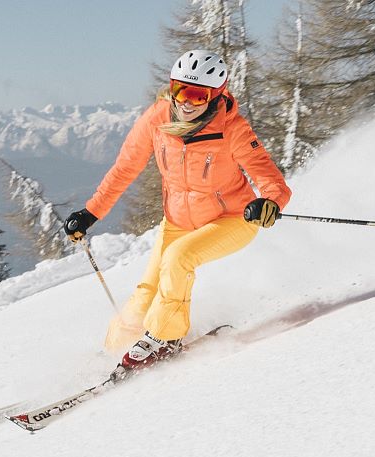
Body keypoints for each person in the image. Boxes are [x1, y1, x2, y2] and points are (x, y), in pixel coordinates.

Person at [61, 50, 292, 371]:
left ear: (216, 95)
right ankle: (113, 353)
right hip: (179, 222)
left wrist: (269, 202)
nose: (186, 102)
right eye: (180, 90)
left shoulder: (233, 129)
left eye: (198, 95)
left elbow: (271, 180)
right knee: (144, 296)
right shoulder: (157, 118)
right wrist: (91, 213)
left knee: (178, 258)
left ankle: (165, 338)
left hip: (232, 220)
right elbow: (126, 168)